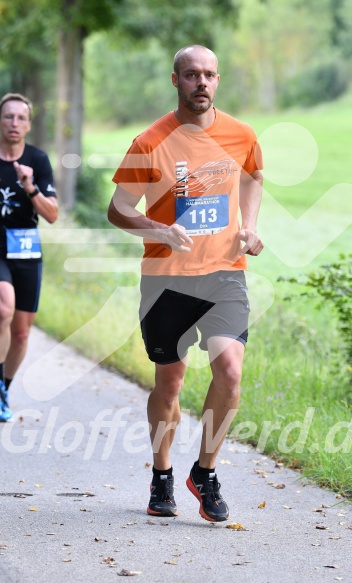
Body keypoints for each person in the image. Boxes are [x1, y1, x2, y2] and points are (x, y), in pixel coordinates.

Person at [107, 45, 264, 522]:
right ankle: (162, 474)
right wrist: (158, 230)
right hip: (166, 281)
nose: (202, 82)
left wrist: (250, 226)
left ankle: (206, 472)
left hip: (224, 273)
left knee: (230, 372)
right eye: (192, 74)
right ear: (175, 79)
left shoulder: (241, 134)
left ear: (218, 81)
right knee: (169, 385)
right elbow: (118, 209)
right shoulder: (150, 141)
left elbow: (254, 175)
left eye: (210, 75)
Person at [0, 93, 58, 422]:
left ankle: (3, 387)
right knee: (3, 305)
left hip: (25, 249)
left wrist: (30, 186)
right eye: (8, 117)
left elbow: (52, 215)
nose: (14, 123)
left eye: (21, 118)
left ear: (29, 124)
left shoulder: (37, 160)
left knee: (21, 333)